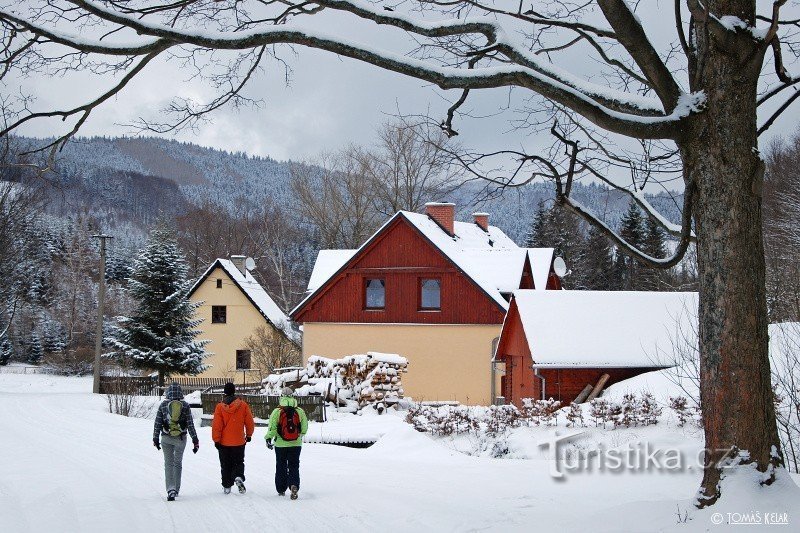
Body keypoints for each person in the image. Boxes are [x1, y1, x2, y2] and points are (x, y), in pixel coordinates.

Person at [153, 382, 199, 502]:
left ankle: (170, 489)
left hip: (166, 438)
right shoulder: (185, 406)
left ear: (168, 392)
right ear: (180, 393)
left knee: (168, 463)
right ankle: (176, 489)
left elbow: (157, 423)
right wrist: (195, 440)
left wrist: (155, 438)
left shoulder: (163, 405)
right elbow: (190, 424)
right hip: (181, 439)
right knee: (177, 463)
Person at [265, 386, 308, 500]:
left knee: (281, 466)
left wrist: (268, 438)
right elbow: (304, 429)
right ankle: (294, 485)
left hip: (280, 445)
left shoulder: (277, 411)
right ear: (293, 396)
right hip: (296, 445)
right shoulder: (300, 411)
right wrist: (298, 436)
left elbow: (272, 429)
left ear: (281, 397)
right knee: (294, 466)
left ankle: (281, 489)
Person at [212, 382, 255, 495]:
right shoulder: (243, 405)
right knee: (238, 462)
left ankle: (227, 486)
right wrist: (249, 435)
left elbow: (217, 425)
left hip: (224, 442)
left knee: (225, 464)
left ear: (224, 392)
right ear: (234, 391)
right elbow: (249, 422)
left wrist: (216, 439)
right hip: (239, 441)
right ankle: (238, 476)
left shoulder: (220, 407)